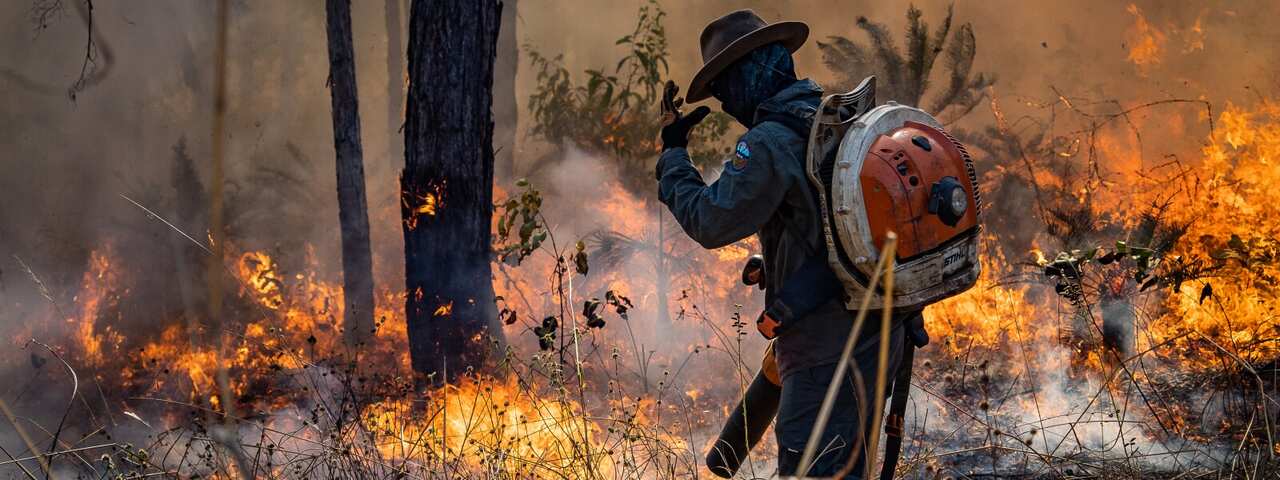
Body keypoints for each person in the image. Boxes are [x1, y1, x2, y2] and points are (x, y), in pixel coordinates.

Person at [655, 10, 917, 478]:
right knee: (846, 465)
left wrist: (673, 155)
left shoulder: (771, 141)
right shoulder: (834, 116)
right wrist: (776, 259)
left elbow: (708, 221)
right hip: (881, 327)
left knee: (815, 470)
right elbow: (833, 222)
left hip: (825, 346)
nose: (724, 100)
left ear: (748, 72)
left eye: (723, 86)